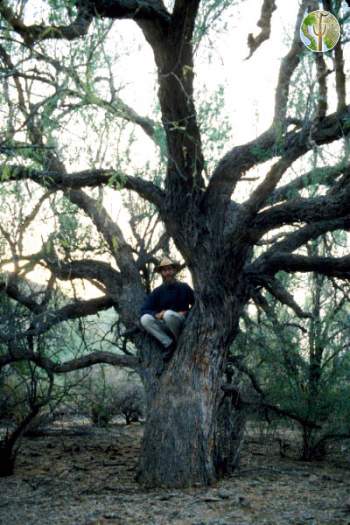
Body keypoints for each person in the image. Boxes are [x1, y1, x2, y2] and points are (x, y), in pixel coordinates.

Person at [140, 257, 194, 361]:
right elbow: (144, 310)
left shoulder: (184, 287)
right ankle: (169, 343)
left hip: (181, 323)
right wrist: (156, 314)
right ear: (161, 273)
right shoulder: (157, 291)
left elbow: (198, 304)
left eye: (170, 269)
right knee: (145, 319)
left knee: (168, 314)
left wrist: (187, 313)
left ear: (174, 270)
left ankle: (180, 341)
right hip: (165, 324)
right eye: (164, 270)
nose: (168, 272)